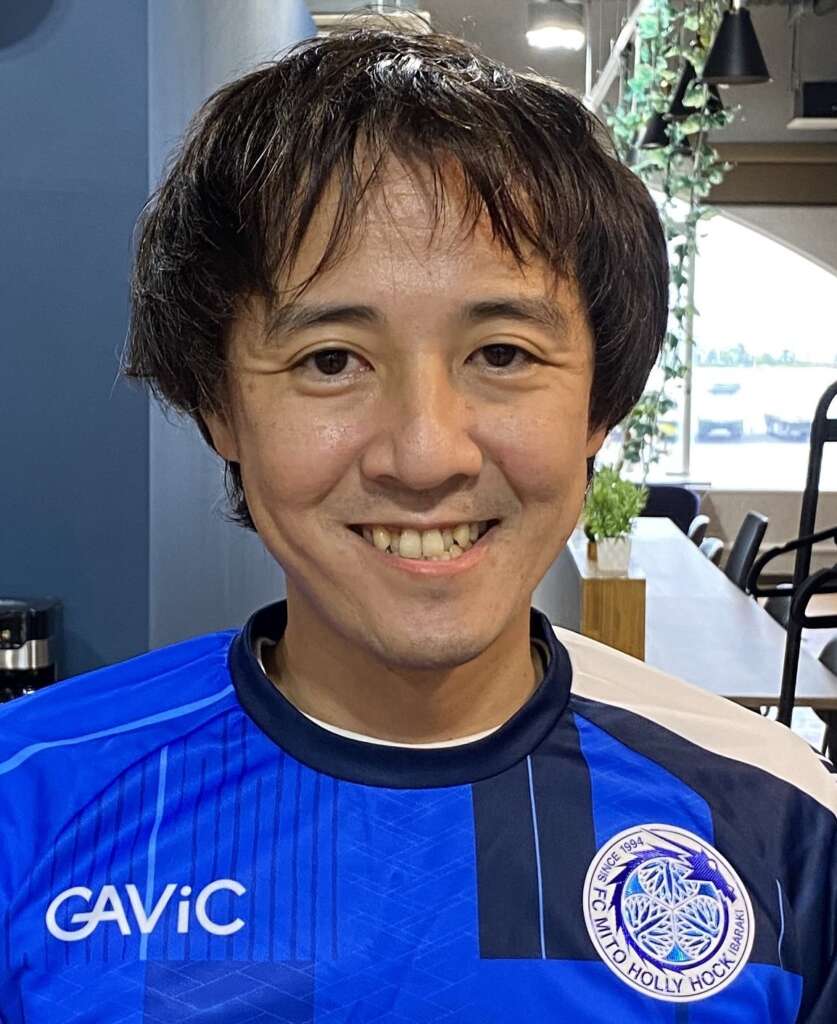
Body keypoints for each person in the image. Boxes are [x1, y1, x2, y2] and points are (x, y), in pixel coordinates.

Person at [0, 26, 834, 1024]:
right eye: (330, 361)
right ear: (219, 406)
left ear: (598, 406)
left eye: (503, 354)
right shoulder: (29, 801)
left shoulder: (781, 822)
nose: (426, 452)